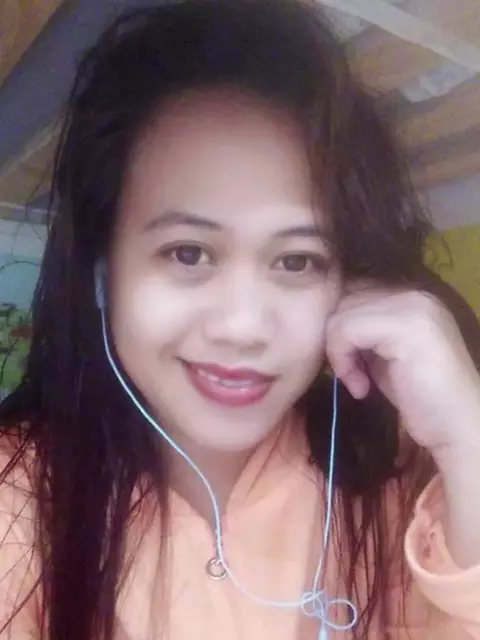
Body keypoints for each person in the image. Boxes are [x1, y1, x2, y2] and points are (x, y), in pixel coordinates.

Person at [1, 1, 480, 638]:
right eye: (188, 253)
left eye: (298, 260)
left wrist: (468, 437)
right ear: (102, 268)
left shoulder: (395, 475)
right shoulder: (18, 499)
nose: (244, 327)